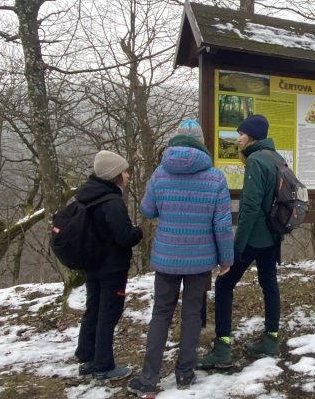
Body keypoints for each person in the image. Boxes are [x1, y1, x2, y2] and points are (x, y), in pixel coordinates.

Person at [127, 119, 234, 396]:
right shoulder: (214, 177)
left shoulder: (160, 174)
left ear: (175, 141)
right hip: (200, 259)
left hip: (167, 257)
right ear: (201, 142)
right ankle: (185, 374)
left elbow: (148, 210)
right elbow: (222, 225)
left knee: (161, 314)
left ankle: (148, 379)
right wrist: (226, 258)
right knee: (191, 315)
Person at [196, 114, 283, 370]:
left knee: (224, 284)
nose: (238, 138)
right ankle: (271, 338)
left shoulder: (256, 160)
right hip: (272, 235)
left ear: (253, 135)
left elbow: (250, 207)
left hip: (255, 236)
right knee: (269, 283)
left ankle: (222, 348)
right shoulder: (276, 158)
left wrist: (236, 246)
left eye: (241, 134)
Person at [75, 150, 143, 381]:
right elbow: (124, 237)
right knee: (108, 314)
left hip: (92, 263)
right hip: (111, 267)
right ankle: (104, 365)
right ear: (115, 174)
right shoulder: (112, 202)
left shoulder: (87, 195)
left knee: (93, 309)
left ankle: (87, 358)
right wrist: (137, 232)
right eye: (125, 171)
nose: (128, 176)